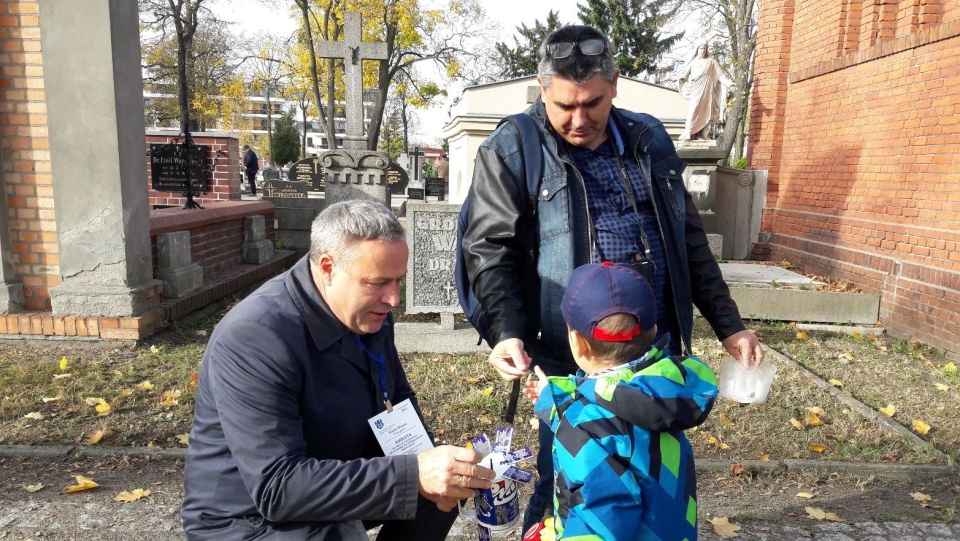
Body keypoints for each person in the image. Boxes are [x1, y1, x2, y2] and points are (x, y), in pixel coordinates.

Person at [460, 24, 763, 532]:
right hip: (571, 353)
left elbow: (689, 239)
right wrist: (507, 331)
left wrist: (729, 324)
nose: (579, 119)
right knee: (574, 477)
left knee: (652, 471)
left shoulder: (648, 139)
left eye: (593, 103)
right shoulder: (513, 147)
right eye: (564, 106)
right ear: (542, 86)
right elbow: (491, 251)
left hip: (651, 349)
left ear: (615, 83)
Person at [182, 199, 494, 540]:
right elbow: (276, 488)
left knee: (441, 495)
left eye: (398, 281)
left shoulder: (369, 315)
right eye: (377, 283)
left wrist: (436, 471)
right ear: (328, 268)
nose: (393, 299)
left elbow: (397, 399)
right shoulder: (256, 335)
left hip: (327, 477)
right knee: (343, 529)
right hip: (247, 518)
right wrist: (411, 474)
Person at [522, 261, 718, 540]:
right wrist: (555, 399)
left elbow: (598, 524)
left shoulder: (581, 427)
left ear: (577, 343)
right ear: (652, 329)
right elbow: (616, 419)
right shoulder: (662, 392)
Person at [678, 42, 733, 143]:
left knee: (707, 112)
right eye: (701, 48)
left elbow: (720, 76)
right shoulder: (693, 62)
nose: (703, 50)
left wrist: (729, 83)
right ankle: (688, 132)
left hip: (707, 91)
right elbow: (685, 74)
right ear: (697, 49)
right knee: (693, 110)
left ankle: (702, 135)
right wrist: (682, 78)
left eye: (704, 48)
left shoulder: (711, 62)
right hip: (696, 90)